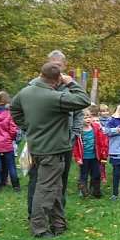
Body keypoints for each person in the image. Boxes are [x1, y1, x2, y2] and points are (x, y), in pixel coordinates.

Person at [11, 63, 91, 238]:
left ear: (41, 74)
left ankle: (58, 224)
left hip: (36, 146)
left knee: (55, 186)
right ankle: (39, 229)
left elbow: (14, 109)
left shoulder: (25, 92)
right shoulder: (56, 97)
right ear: (57, 81)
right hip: (53, 150)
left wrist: (26, 127)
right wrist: (71, 83)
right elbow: (84, 101)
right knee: (46, 189)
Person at [26, 51, 83, 218]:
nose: (56, 68)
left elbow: (79, 109)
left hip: (65, 139)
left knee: (61, 178)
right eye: (53, 65)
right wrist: (28, 129)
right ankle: (34, 212)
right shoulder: (34, 85)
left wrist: (75, 131)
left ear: (64, 66)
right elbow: (21, 109)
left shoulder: (69, 86)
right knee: (38, 177)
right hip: (42, 139)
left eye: (59, 65)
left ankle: (57, 214)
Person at [73, 106, 108, 199]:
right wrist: (77, 158)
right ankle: (83, 190)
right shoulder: (78, 131)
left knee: (96, 174)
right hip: (83, 157)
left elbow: (101, 141)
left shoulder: (96, 128)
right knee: (84, 174)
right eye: (85, 118)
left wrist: (103, 153)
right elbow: (75, 146)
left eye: (89, 117)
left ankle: (96, 192)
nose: (88, 119)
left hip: (95, 156)